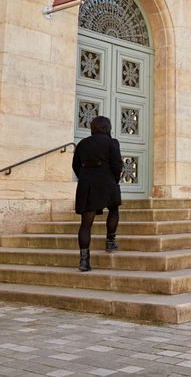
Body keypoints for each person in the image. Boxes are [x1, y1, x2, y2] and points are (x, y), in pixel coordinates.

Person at [72, 116, 123, 272]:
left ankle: (84, 261)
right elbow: (117, 164)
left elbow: (75, 165)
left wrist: (86, 178)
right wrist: (113, 180)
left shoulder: (82, 143)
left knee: (86, 224)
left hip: (87, 184)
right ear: (108, 128)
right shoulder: (112, 142)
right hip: (107, 181)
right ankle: (110, 241)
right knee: (113, 209)